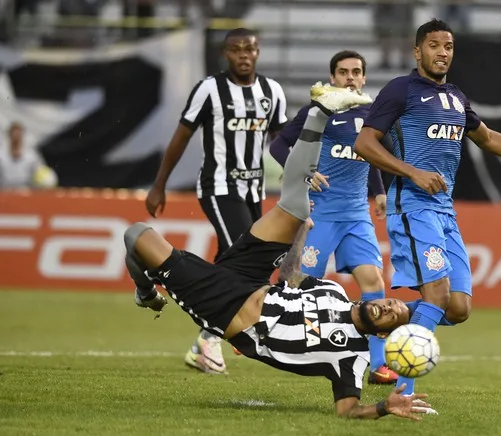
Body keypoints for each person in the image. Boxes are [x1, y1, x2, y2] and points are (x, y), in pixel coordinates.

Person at [126, 83, 434, 419]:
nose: (387, 308)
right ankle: (321, 111)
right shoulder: (334, 292)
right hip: (255, 278)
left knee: (137, 235)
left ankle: (145, 292)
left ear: (383, 334)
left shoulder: (351, 356)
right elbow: (290, 276)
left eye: (391, 316)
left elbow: (347, 411)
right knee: (297, 207)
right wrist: (299, 234)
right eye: (391, 304)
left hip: (226, 309)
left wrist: (383, 407)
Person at [354, 19, 501, 396]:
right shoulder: (401, 90)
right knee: (437, 296)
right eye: (435, 45)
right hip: (412, 206)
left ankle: (378, 319)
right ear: (417, 51)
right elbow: (364, 143)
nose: (443, 53)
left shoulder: (456, 97)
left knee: (457, 307)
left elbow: (486, 138)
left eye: (449, 46)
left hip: (444, 213)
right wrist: (412, 172)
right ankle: (402, 393)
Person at [144, 27, 288, 375]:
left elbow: (282, 142)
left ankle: (154, 279)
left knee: (240, 261)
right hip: (218, 187)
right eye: (236, 49)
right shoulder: (210, 89)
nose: (243, 55)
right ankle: (208, 341)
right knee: (244, 255)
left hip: (254, 190)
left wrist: (298, 177)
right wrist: (159, 184)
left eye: (249, 49)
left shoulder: (273, 91)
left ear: (258, 51)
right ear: (226, 54)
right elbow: (182, 136)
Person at [269, 50, 396, 385]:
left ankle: (378, 365)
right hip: (321, 212)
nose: (350, 77)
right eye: (343, 72)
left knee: (374, 282)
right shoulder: (318, 110)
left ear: (365, 78)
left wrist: (379, 192)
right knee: (297, 284)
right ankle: (264, 328)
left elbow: (368, 154)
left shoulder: (373, 114)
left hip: (357, 214)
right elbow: (279, 146)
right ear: (332, 78)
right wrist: (303, 172)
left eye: (356, 72)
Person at [0, 122, 53, 189]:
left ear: (22, 135)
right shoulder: (1, 155)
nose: (16, 136)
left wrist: (46, 181)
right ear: (9, 135)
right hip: (4, 192)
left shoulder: (31, 155)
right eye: (14, 133)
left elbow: (41, 172)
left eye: (18, 134)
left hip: (26, 191)